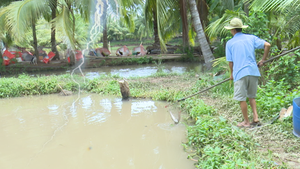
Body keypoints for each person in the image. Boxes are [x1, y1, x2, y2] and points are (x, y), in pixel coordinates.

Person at [224, 18, 271, 128]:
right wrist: (263, 60)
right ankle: (255, 117)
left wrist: (231, 74)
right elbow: (267, 45)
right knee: (252, 96)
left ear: (233, 30)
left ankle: (246, 122)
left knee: (241, 98)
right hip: (253, 71)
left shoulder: (230, 43)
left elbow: (231, 63)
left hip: (240, 73)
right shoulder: (251, 38)